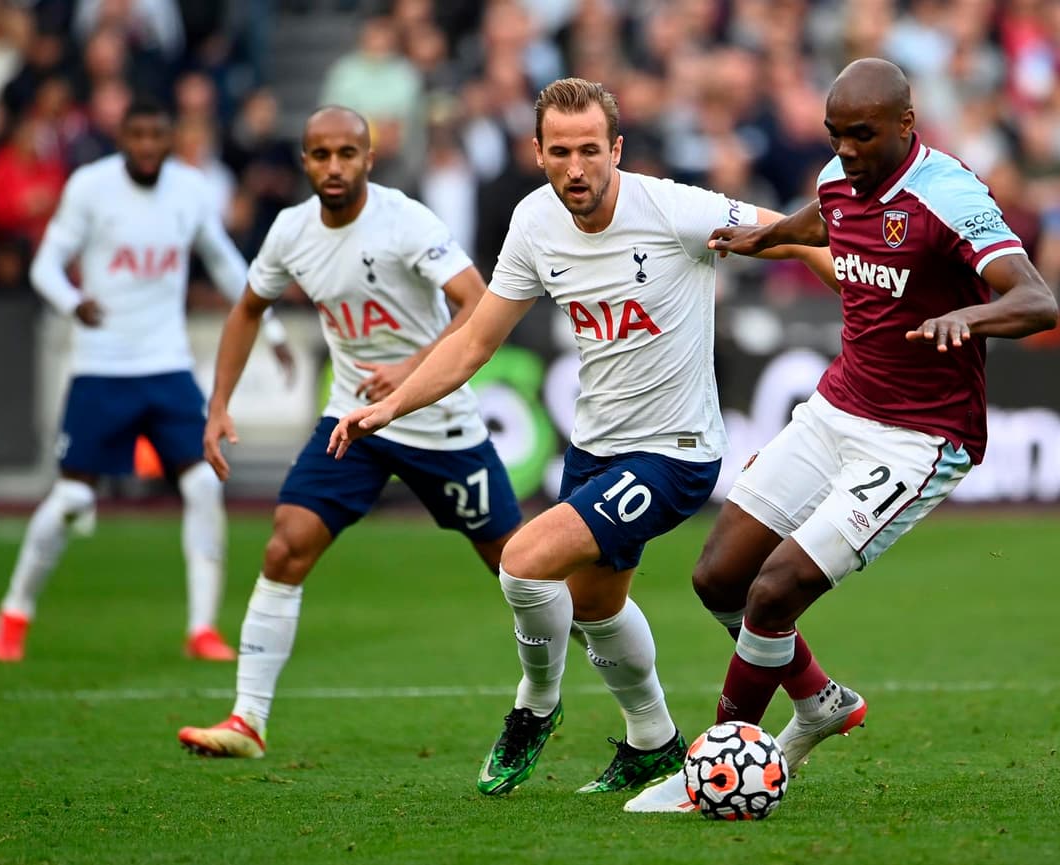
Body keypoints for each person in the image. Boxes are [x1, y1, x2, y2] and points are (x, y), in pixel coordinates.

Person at [327, 78, 830, 797]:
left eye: (590, 149)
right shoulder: (534, 224)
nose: (576, 166)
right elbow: (473, 342)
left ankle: (534, 705)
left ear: (615, 150)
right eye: (560, 151)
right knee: (595, 606)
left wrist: (859, 294)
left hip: (675, 450)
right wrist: (393, 404)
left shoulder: (673, 208)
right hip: (595, 447)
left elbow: (792, 231)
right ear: (538, 153)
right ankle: (653, 740)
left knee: (526, 560)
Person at [625, 58, 1059, 813]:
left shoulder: (948, 196)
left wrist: (970, 316)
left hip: (920, 438)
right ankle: (820, 700)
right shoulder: (837, 178)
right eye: (835, 136)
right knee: (718, 578)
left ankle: (716, 765)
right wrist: (754, 238)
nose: (847, 150)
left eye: (862, 135)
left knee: (775, 589)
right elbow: (816, 219)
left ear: (905, 125)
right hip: (837, 408)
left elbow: (1037, 299)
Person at [176, 106, 522, 759]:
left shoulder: (408, 220)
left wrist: (411, 369)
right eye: (320, 154)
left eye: (346, 153)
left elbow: (478, 302)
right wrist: (218, 404)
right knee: (286, 545)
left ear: (368, 157)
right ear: (304, 161)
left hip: (438, 416)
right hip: (354, 420)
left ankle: (621, 704)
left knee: (522, 573)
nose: (333, 166)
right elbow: (248, 307)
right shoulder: (290, 231)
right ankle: (248, 719)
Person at [0, 96, 294, 663]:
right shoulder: (90, 187)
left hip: (166, 365)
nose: (148, 146)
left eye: (158, 135)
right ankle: (15, 610)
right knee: (74, 497)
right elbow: (44, 265)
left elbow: (227, 263)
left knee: (203, 485)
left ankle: (201, 629)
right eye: (138, 136)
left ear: (170, 138)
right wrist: (72, 302)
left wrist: (271, 330)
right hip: (102, 367)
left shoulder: (189, 189)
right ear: (122, 138)